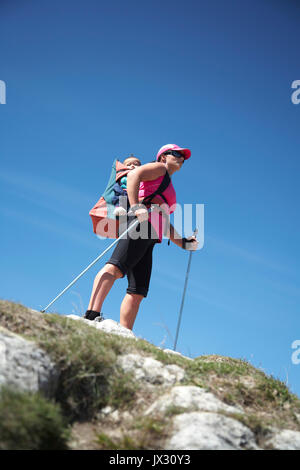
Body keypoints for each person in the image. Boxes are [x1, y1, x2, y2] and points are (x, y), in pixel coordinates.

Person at [84, 144, 198, 328]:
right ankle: (91, 315)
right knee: (116, 267)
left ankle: (125, 333)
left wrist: (185, 243)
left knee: (138, 290)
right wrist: (136, 206)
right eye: (176, 154)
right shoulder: (160, 168)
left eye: (183, 156)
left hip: (151, 234)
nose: (181, 158)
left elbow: (164, 220)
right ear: (163, 157)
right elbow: (133, 175)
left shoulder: (166, 180)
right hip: (140, 224)